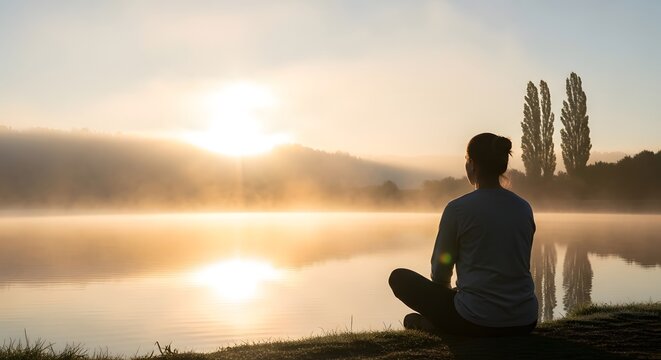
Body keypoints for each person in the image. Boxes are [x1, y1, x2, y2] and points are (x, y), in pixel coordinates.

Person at [388, 133, 538, 336]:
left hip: (476, 320)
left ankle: (439, 325)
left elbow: (440, 271)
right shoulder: (523, 208)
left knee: (398, 278)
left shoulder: (458, 209)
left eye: (466, 160)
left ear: (473, 165)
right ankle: (443, 322)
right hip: (525, 320)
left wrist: (444, 298)